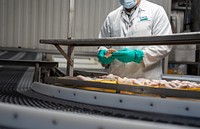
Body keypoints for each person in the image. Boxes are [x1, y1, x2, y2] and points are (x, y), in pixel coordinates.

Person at [97, 0, 173, 80]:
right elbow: (102, 44)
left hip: (146, 80)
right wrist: (103, 52)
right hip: (116, 79)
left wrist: (139, 56)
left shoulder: (156, 11)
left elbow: (164, 45)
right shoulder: (112, 17)